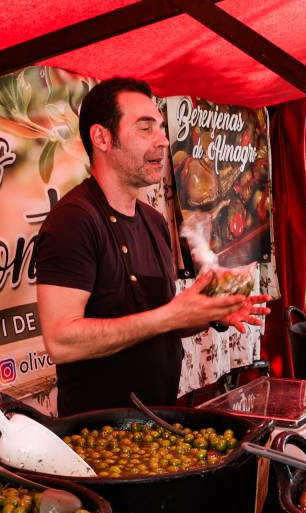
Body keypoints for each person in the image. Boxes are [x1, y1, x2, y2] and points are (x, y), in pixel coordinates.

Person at [34, 78, 269, 416]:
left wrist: (209, 314)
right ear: (101, 137)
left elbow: (160, 319)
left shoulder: (153, 221)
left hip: (158, 420)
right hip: (100, 437)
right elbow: (61, 342)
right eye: (146, 129)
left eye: (161, 128)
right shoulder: (73, 221)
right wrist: (169, 315)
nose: (163, 141)